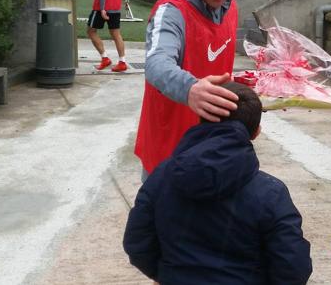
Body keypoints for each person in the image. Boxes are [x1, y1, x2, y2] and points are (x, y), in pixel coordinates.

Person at [123, 82, 313, 285]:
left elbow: (137, 243)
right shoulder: (271, 193)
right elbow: (293, 267)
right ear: (256, 132)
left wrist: (168, 275)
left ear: (201, 119)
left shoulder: (160, 178)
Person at [134, 0, 244, 180]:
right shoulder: (171, 12)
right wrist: (190, 89)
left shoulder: (231, 8)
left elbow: (221, 75)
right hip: (169, 155)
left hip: (212, 151)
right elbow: (156, 63)